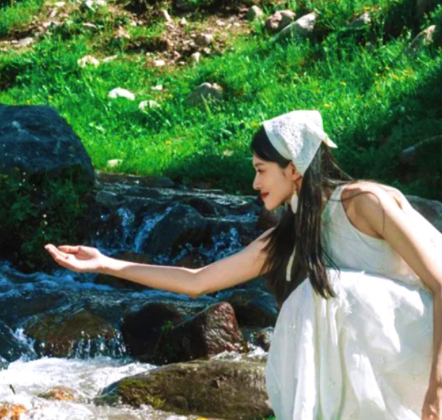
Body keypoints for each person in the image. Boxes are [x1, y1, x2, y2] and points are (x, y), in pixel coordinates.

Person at [44, 110, 442, 420]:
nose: (254, 184)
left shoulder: (364, 202)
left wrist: (437, 386)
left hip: (425, 341)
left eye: (260, 170)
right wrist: (107, 264)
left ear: (293, 168)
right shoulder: (289, 236)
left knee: (328, 291)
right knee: (316, 295)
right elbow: (198, 281)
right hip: (384, 353)